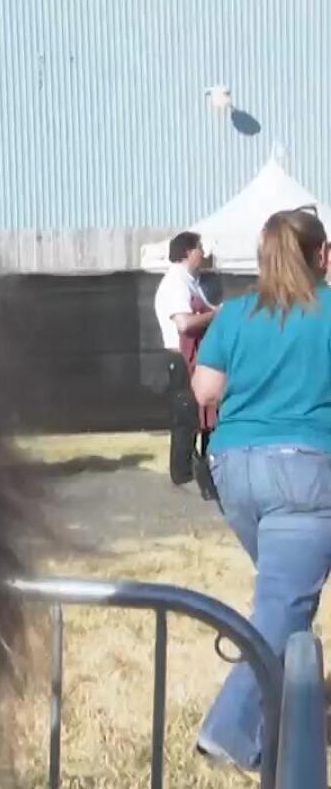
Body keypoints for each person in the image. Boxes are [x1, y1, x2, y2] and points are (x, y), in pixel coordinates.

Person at [191, 206, 331, 771]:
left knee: (280, 597)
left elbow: (205, 388)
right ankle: (231, 730)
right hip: (306, 471)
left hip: (236, 472)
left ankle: (287, 711)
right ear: (321, 255)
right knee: (281, 607)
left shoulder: (238, 312)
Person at [153, 230, 218, 494]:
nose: (203, 253)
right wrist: (215, 315)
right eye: (199, 248)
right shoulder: (176, 283)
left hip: (195, 357)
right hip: (180, 358)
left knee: (200, 415)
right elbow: (184, 323)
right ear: (187, 252)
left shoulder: (192, 281)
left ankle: (199, 471)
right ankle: (182, 476)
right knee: (186, 417)